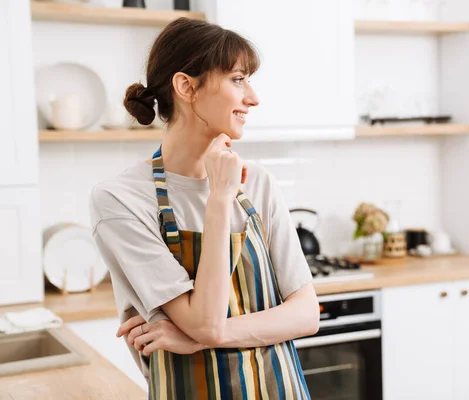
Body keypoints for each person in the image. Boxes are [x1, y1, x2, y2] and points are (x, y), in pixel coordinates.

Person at [89, 17, 319, 400]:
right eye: (238, 79)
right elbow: (204, 320)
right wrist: (219, 198)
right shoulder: (121, 200)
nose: (253, 97)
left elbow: (307, 314)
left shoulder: (258, 182)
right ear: (186, 86)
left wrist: (197, 339)